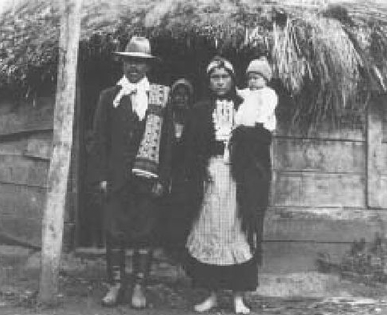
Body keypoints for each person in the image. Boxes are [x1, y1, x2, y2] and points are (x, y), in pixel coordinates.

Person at [180, 56, 276, 314]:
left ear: (233, 79)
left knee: (239, 232)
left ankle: (238, 298)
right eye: (215, 77)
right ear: (209, 81)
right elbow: (189, 149)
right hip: (209, 179)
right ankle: (211, 294)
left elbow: (264, 139)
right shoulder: (200, 110)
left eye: (224, 77)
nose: (220, 82)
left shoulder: (248, 103)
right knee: (211, 231)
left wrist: (245, 137)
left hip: (240, 179)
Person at [87, 36, 173, 309]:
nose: (133, 67)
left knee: (144, 233)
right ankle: (114, 285)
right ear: (122, 63)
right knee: (114, 233)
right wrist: (100, 176)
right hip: (115, 178)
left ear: (148, 67)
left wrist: (163, 179)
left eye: (139, 62)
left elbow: (168, 143)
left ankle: (139, 288)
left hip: (147, 180)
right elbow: (98, 140)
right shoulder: (108, 97)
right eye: (129, 61)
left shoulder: (160, 98)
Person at [161, 78, 194, 259]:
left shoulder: (192, 117)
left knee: (181, 208)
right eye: (177, 95)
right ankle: (167, 246)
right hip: (167, 167)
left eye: (184, 95)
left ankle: (180, 247)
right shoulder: (166, 116)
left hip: (184, 170)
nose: (180, 99)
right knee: (165, 207)